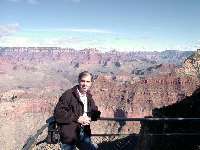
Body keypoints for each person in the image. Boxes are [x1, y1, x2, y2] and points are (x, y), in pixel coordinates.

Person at [54, 71, 101, 150]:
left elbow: (95, 111)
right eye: (83, 81)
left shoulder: (88, 96)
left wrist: (91, 117)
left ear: (91, 83)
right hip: (69, 135)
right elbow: (58, 113)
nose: (85, 84)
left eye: (88, 82)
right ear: (79, 81)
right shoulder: (68, 95)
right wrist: (77, 118)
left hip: (84, 132)